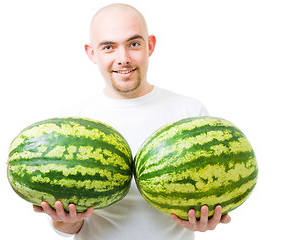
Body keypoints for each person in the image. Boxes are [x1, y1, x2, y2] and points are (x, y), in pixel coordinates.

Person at [33, 3, 231, 239]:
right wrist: (63, 221)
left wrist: (205, 220)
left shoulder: (190, 112)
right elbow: (67, 228)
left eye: (134, 44)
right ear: (91, 53)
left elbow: (211, 191)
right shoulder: (71, 122)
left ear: (150, 46)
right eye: (109, 47)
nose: (123, 58)